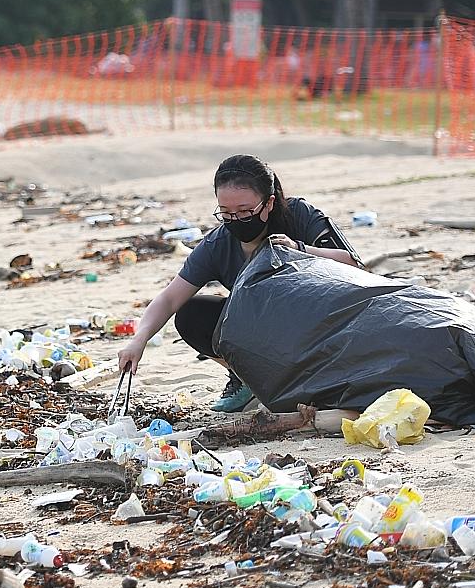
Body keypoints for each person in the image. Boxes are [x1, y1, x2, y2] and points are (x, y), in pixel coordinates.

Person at [115, 155, 362, 412]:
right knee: (191, 313)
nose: (236, 219)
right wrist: (139, 339)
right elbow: (169, 298)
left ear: (268, 204)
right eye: (226, 213)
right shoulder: (218, 244)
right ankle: (245, 376)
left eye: (245, 211)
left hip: (321, 325)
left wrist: (299, 249)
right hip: (267, 335)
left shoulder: (299, 215)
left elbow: (354, 266)